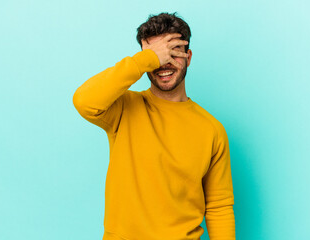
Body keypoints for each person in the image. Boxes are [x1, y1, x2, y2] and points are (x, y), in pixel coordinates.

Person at [73, 12, 235, 240]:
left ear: (188, 57)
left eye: (174, 53)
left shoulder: (212, 129)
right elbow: (84, 101)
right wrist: (145, 60)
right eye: (157, 55)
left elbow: (219, 207)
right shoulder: (124, 109)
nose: (164, 63)